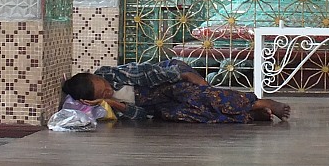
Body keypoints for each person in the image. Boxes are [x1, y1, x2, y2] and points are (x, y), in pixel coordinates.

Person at [63, 59, 291, 123]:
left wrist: (184, 75)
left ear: (97, 76)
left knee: (199, 95)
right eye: (102, 94)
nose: (107, 90)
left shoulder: (113, 74)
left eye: (103, 86)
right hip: (161, 102)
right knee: (189, 114)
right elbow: (143, 116)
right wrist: (113, 104)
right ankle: (250, 114)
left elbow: (148, 73)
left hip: (170, 77)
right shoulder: (106, 107)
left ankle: (263, 102)